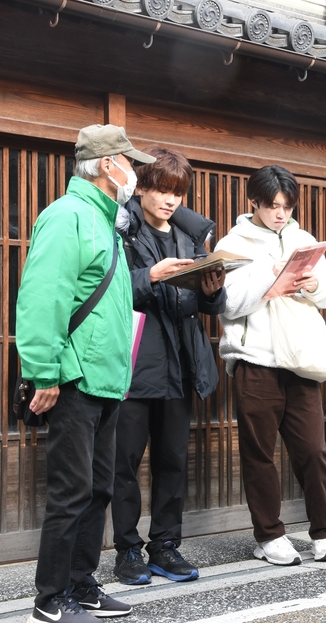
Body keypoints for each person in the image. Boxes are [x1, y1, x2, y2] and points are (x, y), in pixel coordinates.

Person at [17, 124, 155, 623]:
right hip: (73, 378)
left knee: (98, 488)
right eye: (128, 162)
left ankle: (83, 583)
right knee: (70, 490)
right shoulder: (67, 217)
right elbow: (42, 299)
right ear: (105, 165)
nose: (134, 173)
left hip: (107, 379)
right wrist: (44, 373)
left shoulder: (107, 221)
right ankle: (50, 597)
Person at [213, 164, 326, 566]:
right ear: (254, 202)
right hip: (255, 362)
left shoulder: (303, 239)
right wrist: (271, 284)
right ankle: (269, 536)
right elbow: (228, 304)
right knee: (259, 454)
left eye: (287, 206)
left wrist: (314, 285)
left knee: (314, 451)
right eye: (273, 206)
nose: (281, 213)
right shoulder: (232, 242)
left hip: (300, 360)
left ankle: (324, 533)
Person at [110, 147, 226, 585]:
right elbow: (107, 288)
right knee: (125, 462)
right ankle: (127, 551)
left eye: (176, 192)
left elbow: (209, 305)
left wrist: (212, 290)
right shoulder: (121, 229)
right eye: (160, 189)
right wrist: (151, 277)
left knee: (172, 460)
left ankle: (164, 546)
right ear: (140, 188)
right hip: (134, 363)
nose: (169, 200)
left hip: (180, 362)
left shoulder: (191, 236)